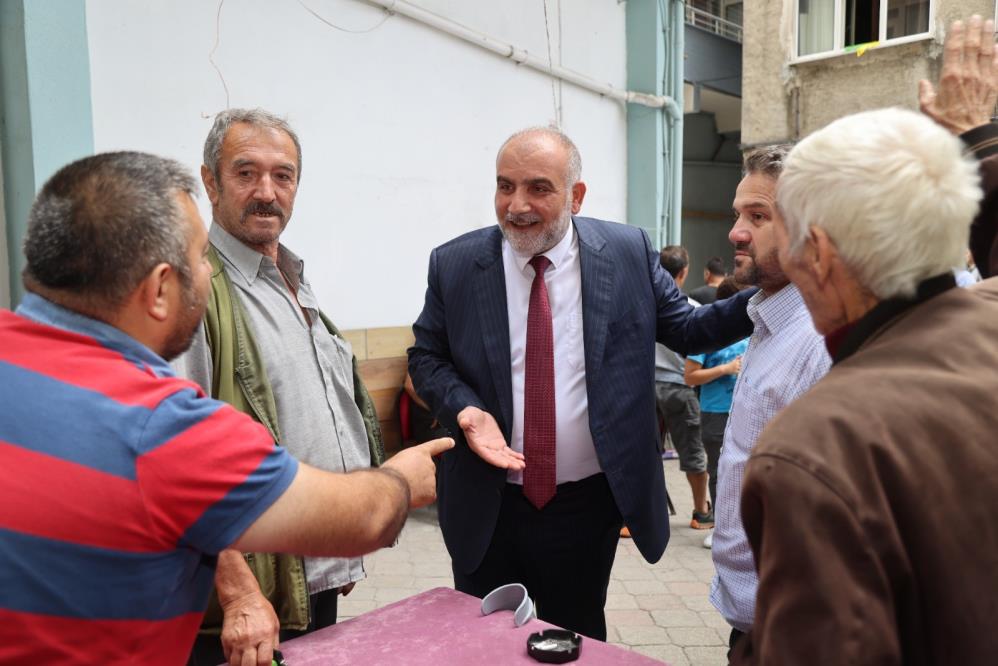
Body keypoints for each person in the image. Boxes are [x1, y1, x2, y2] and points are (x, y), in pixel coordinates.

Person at [0, 151, 452, 665]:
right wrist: (400, 482)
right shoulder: (161, 430)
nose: (208, 271)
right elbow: (360, 519)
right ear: (159, 291)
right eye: (199, 258)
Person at [408, 126, 755, 640]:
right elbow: (426, 355)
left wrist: (775, 290)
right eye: (505, 186)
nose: (516, 205)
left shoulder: (626, 251)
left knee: (577, 638)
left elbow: (687, 328)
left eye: (538, 188)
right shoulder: (456, 263)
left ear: (576, 196)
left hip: (587, 506)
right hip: (488, 502)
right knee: (486, 645)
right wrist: (464, 407)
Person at [731, 17, 998, 664]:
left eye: (780, 226)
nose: (760, 244)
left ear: (818, 253)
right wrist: (975, 141)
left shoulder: (814, 448)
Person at [171, 108, 390, 665]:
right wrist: (238, 590)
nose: (266, 191)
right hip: (245, 602)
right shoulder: (197, 291)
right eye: (246, 173)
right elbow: (173, 462)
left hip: (303, 578)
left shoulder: (292, 277)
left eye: (283, 175)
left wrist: (339, 545)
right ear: (210, 181)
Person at [709, 144, 832, 655]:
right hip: (757, 629)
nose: (737, 232)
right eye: (738, 214)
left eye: (758, 216)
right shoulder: (769, 320)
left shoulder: (821, 342)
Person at [684, 276, 748, 549]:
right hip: (715, 413)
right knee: (719, 470)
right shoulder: (709, 333)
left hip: (744, 409)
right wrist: (724, 369)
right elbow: (690, 377)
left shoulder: (754, 330)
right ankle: (721, 527)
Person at [652, 245, 712, 532]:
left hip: (645, 389)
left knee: (640, 453)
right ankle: (701, 512)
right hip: (679, 388)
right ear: (684, 272)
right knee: (692, 451)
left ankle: (630, 519)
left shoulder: (643, 304)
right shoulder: (692, 308)